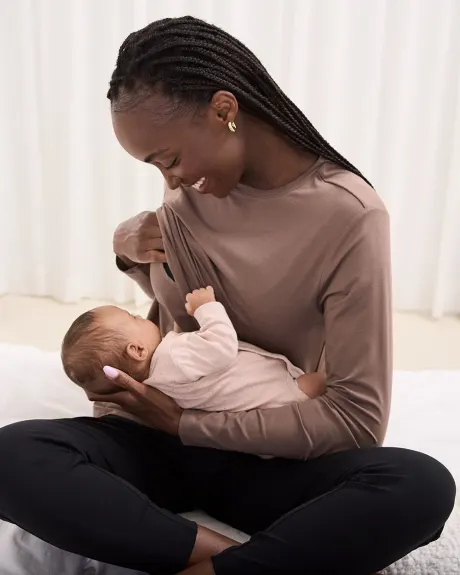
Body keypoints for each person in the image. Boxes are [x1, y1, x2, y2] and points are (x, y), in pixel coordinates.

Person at [0, 15, 455, 575]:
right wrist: (126, 248)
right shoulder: (193, 188)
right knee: (10, 456)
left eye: (168, 159)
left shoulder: (350, 217)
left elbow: (356, 421)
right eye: (155, 167)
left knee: (420, 486)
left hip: (261, 456)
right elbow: (171, 318)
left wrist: (186, 425)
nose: (168, 181)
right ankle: (224, 563)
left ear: (223, 110)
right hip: (155, 441)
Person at [61, 288, 326, 415]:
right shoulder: (173, 355)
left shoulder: (156, 383)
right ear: (138, 350)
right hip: (278, 390)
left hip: (261, 407)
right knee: (332, 376)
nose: (143, 316)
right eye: (134, 317)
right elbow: (222, 347)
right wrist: (206, 307)